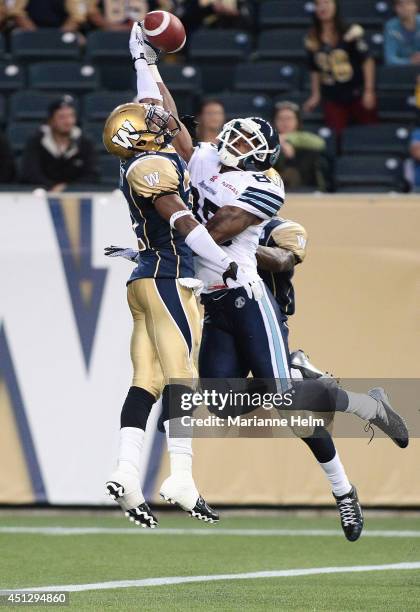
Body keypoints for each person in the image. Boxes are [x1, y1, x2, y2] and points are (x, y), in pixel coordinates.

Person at [103, 26, 257, 528]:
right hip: (170, 277)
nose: (157, 118)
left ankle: (127, 471)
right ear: (136, 136)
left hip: (146, 278)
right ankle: (182, 478)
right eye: (147, 121)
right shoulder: (150, 164)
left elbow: (156, 104)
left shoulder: (150, 154)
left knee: (146, 378)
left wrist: (142, 58)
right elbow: (180, 219)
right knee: (182, 379)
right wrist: (223, 260)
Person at [303, 0, 377, 137]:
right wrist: (315, 94)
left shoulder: (350, 32)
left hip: (357, 92)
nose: (322, 7)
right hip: (332, 96)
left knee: (369, 132)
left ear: (335, 6)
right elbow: (314, 68)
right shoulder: (312, 38)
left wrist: (369, 91)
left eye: (326, 3)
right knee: (336, 136)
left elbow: (367, 61)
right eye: (318, 4)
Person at [20, 96, 98, 192]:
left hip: (77, 197)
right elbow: (30, 173)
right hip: (41, 197)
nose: (68, 121)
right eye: (62, 117)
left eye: (71, 116)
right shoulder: (36, 142)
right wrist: (51, 187)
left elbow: (92, 175)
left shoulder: (85, 143)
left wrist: (67, 189)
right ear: (51, 120)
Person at [273, 101, 329, 191]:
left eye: (289, 118)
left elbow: (320, 144)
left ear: (297, 121)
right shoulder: (267, 140)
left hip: (306, 186)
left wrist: (285, 138)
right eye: (281, 119)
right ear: (275, 121)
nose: (285, 122)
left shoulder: (305, 137)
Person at [7, 0, 86, 30]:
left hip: (60, 30)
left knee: (80, 41)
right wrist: (37, 35)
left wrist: (58, 36)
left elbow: (77, 16)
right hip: (29, 31)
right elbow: (16, 13)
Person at [384, 0, 420, 65]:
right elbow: (390, 59)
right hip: (401, 71)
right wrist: (410, 61)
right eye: (400, 4)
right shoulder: (391, 26)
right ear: (395, 8)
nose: (405, 7)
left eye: (408, 3)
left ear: (416, 6)